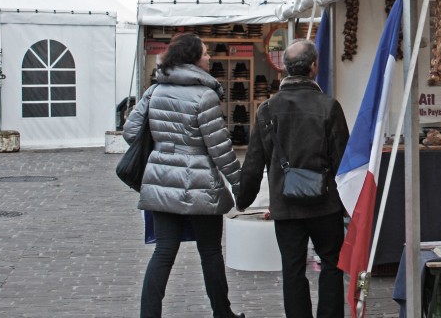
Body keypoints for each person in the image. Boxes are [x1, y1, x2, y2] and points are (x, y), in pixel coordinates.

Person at [122, 33, 244, 318]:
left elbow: (130, 132)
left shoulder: (154, 91)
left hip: (161, 180)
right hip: (200, 182)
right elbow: (219, 146)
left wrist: (164, 146)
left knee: (163, 252)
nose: (210, 56)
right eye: (205, 52)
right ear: (193, 58)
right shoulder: (205, 95)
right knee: (211, 252)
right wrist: (238, 183)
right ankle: (222, 314)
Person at [235, 38, 350, 318]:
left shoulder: (267, 109)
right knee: (332, 264)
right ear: (314, 67)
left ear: (285, 69)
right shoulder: (329, 106)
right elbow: (342, 159)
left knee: (293, 268)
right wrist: (349, 202)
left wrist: (243, 200)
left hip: (285, 205)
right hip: (325, 204)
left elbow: (253, 163)